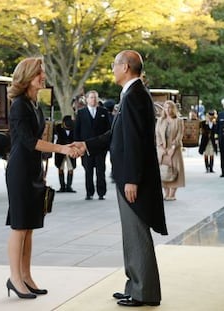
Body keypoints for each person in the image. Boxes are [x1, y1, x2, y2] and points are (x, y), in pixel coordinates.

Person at [72, 50, 168, 307]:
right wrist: (85, 145)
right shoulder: (130, 94)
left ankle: (143, 292)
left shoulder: (136, 96)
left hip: (132, 177)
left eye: (114, 65)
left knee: (137, 233)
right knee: (131, 234)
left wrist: (132, 179)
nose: (112, 69)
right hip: (127, 174)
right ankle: (135, 285)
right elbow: (117, 136)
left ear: (125, 67)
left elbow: (136, 142)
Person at [5, 57, 80, 299]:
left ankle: (26, 276)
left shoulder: (34, 103)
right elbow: (28, 141)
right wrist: (62, 149)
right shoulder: (18, 105)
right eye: (40, 73)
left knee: (29, 227)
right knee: (19, 226)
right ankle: (15, 278)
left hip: (33, 169)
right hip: (19, 170)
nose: (43, 76)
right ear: (27, 76)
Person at [74, 90, 111, 200]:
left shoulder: (103, 112)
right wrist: (77, 147)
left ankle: (101, 192)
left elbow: (108, 130)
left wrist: (106, 146)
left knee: (101, 171)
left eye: (95, 97)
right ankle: (89, 192)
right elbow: (77, 130)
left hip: (100, 147)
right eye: (91, 97)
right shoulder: (81, 113)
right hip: (86, 147)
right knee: (88, 171)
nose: (94, 100)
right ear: (87, 99)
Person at [155, 100, 185, 201]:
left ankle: (172, 194)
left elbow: (179, 135)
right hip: (162, 149)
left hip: (174, 149)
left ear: (173, 109)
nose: (168, 110)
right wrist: (161, 147)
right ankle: (166, 193)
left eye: (170, 107)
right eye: (166, 107)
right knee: (163, 171)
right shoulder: (160, 120)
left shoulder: (179, 120)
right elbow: (157, 134)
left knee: (175, 170)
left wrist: (173, 148)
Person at [54, 115, 77, 192]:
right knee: (60, 167)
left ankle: (69, 186)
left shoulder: (74, 128)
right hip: (60, 150)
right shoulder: (58, 128)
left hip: (71, 150)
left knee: (71, 168)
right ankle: (62, 186)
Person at [217, 100, 224, 177]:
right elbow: (217, 127)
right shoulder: (220, 114)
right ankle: (223, 171)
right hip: (222, 138)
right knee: (222, 156)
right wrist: (216, 138)